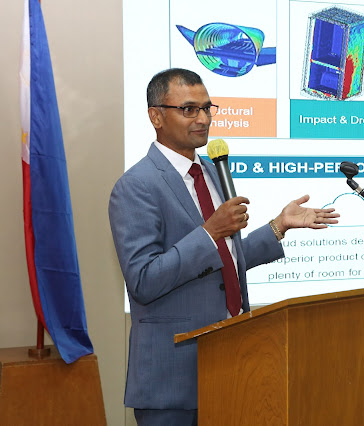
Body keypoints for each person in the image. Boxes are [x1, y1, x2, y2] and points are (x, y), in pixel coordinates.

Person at [109, 68, 339, 426]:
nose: (203, 119)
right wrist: (210, 232)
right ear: (156, 116)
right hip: (172, 377)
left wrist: (278, 226)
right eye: (189, 109)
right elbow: (143, 280)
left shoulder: (212, 171)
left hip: (231, 360)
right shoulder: (136, 186)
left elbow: (223, 262)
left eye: (207, 108)